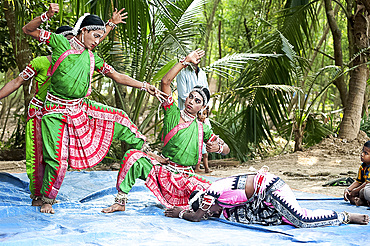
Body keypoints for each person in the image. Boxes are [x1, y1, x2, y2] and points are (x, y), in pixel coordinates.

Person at [22, 3, 162, 214]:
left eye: (100, 36)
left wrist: (144, 85)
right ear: (84, 31)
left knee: (119, 117)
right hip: (55, 111)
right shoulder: (61, 43)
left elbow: (116, 75)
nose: (98, 41)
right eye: (95, 36)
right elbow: (29, 30)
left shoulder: (92, 56)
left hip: (79, 107)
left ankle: (147, 151)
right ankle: (47, 200)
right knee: (58, 161)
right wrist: (47, 15)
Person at [0, 9, 127, 207]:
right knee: (37, 157)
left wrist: (111, 24)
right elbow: (16, 82)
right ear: (58, 43)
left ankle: (47, 194)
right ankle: (38, 196)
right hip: (40, 113)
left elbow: (93, 40)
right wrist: (46, 15)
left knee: (57, 158)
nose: (71, 44)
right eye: (67, 40)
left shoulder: (82, 56)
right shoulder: (40, 62)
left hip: (62, 111)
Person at [102, 49, 230, 213]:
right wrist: (186, 61)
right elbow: (165, 82)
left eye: (197, 101)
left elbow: (226, 150)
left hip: (185, 178)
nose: (191, 101)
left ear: (202, 107)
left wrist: (218, 148)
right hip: (162, 171)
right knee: (133, 157)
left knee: (215, 196)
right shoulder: (172, 112)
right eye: (190, 97)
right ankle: (120, 202)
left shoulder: (202, 127)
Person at [164, 166, 369, 227]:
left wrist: (180, 213)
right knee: (238, 216)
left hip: (272, 190)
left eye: (208, 211)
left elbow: (197, 217)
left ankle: (344, 216)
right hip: (262, 197)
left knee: (301, 220)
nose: (210, 214)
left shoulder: (211, 192)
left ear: (205, 204)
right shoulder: (219, 199)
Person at [177, 63, 210, 173]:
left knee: (201, 143)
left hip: (200, 113)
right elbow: (183, 95)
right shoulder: (182, 74)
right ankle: (183, 167)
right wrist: (196, 98)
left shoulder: (202, 74)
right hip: (185, 115)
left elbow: (206, 92)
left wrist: (202, 108)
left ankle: (197, 167)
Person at [344, 141, 370, 206]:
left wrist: (356, 191)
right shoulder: (363, 166)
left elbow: (368, 183)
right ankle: (362, 202)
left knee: (363, 191)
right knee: (349, 195)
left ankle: (363, 201)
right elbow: (359, 181)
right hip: (364, 189)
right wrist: (348, 189)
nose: (362, 154)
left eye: (366, 153)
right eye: (362, 152)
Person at [195, 106, 212, 173]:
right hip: (197, 141)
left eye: (204, 114)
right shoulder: (196, 121)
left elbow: (209, 130)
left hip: (203, 141)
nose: (202, 116)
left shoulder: (206, 121)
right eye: (200, 114)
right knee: (202, 154)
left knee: (204, 154)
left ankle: (205, 168)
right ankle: (200, 168)